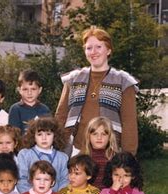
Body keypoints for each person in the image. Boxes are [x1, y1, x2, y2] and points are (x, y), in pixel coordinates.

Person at [55, 26, 139, 156]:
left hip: (109, 153)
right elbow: (61, 116)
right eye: (89, 48)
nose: (93, 52)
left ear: (109, 50)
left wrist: (128, 157)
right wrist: (56, 148)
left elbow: (129, 123)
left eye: (99, 47)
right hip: (76, 151)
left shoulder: (123, 81)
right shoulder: (73, 79)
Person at [17, 117, 69, 193]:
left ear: (55, 136)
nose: (44, 138)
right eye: (39, 134)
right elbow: (21, 179)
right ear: (33, 136)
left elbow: (64, 180)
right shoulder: (25, 154)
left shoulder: (62, 157)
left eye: (48, 134)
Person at [8, 70, 50, 134]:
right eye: (25, 89)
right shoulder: (15, 109)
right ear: (19, 90)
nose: (29, 93)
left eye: (33, 89)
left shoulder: (45, 109)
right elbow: (13, 135)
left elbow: (49, 132)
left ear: (40, 90)